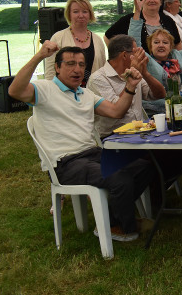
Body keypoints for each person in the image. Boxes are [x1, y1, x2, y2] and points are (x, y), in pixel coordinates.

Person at [10, 42, 154, 241]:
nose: (77, 69)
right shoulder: (44, 89)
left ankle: (112, 219)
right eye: (70, 64)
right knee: (119, 178)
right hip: (65, 162)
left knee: (144, 166)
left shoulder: (86, 94)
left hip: (92, 153)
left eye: (81, 64)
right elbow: (15, 91)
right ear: (58, 67)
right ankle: (123, 227)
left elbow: (116, 111)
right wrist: (39, 56)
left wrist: (130, 87)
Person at [128, 0, 182, 115]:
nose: (161, 45)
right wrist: (138, 13)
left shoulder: (177, 56)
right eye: (156, 42)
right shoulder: (146, 60)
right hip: (156, 113)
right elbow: (134, 42)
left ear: (171, 46)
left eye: (165, 42)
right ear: (150, 46)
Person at [87, 35, 166, 138]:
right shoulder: (98, 79)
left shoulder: (133, 71)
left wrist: (145, 73)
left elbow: (160, 94)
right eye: (136, 53)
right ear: (124, 55)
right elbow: (118, 110)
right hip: (113, 138)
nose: (141, 56)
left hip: (140, 133)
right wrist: (130, 81)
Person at [44, 0, 106, 87]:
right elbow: (50, 72)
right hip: (65, 95)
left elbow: (102, 70)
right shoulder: (58, 38)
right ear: (69, 14)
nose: (81, 15)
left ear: (90, 14)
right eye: (76, 11)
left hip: (93, 95)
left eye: (84, 11)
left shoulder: (98, 40)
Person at [106, 0, 182, 55]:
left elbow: (177, 43)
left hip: (166, 68)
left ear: (160, 1)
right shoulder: (130, 19)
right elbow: (107, 37)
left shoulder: (168, 20)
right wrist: (119, 57)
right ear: (141, 1)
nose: (152, 0)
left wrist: (178, 61)